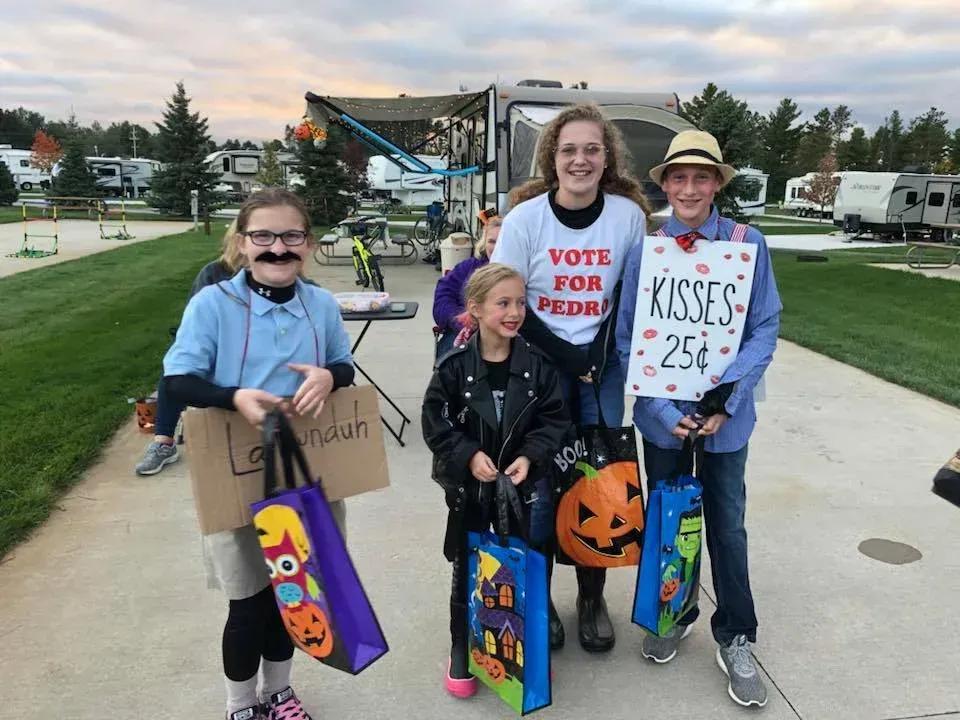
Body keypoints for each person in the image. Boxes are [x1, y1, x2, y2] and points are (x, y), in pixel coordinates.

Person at [163, 188, 355, 720]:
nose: (277, 248)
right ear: (242, 244)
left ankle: (280, 691)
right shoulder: (213, 304)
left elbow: (344, 367)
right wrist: (233, 397)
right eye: (263, 236)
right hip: (237, 475)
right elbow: (177, 382)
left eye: (291, 236)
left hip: (307, 472)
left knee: (295, 593)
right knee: (248, 602)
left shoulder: (319, 304)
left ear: (308, 244)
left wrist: (328, 375)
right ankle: (240, 703)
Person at [615, 130, 782, 708]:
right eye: (678, 177)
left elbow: (765, 326)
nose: (689, 187)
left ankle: (736, 634)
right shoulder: (649, 250)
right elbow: (629, 336)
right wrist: (661, 408)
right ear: (665, 184)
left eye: (701, 176)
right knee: (667, 520)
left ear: (716, 183)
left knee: (727, 526)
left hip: (725, 422)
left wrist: (724, 401)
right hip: (665, 419)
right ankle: (673, 611)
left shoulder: (746, 243)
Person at [490, 102, 650, 653]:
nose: (580, 160)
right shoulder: (524, 220)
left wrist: (597, 356)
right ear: (551, 158)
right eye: (569, 150)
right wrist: (562, 354)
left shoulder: (628, 216)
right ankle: (539, 599)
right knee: (537, 483)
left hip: (600, 370)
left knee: (596, 483)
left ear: (606, 159)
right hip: (536, 364)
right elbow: (507, 298)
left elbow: (630, 298)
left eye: (591, 149)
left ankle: (590, 597)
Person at [421, 262, 571, 698]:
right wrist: (467, 455)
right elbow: (436, 422)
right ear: (476, 309)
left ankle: (527, 645)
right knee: (469, 566)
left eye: (520, 302)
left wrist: (531, 454)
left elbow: (553, 419)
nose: (514, 311)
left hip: (527, 489)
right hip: (472, 491)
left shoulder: (538, 366)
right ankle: (461, 647)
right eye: (503, 303)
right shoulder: (452, 367)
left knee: (528, 565)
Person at [133, 221, 245, 476]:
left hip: (257, 353)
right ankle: (163, 442)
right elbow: (192, 326)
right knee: (175, 370)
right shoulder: (215, 273)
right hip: (216, 346)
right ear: (239, 241)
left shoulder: (283, 274)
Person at [432, 212, 502, 358]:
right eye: (492, 241)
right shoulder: (466, 268)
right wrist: (459, 318)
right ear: (484, 242)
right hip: (463, 332)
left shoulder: (521, 272)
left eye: (503, 241)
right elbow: (442, 298)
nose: (496, 247)